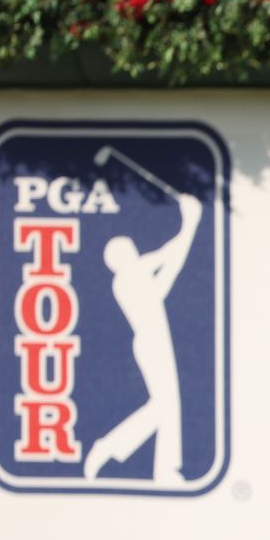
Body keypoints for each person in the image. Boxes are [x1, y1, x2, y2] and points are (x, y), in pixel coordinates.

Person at [85, 189, 204, 483]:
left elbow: (171, 271)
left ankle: (164, 470)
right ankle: (110, 447)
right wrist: (190, 222)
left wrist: (191, 224)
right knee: (163, 406)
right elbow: (168, 255)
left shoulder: (139, 279)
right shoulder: (128, 277)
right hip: (150, 343)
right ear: (120, 258)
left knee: (167, 405)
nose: (134, 249)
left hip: (156, 340)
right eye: (128, 248)